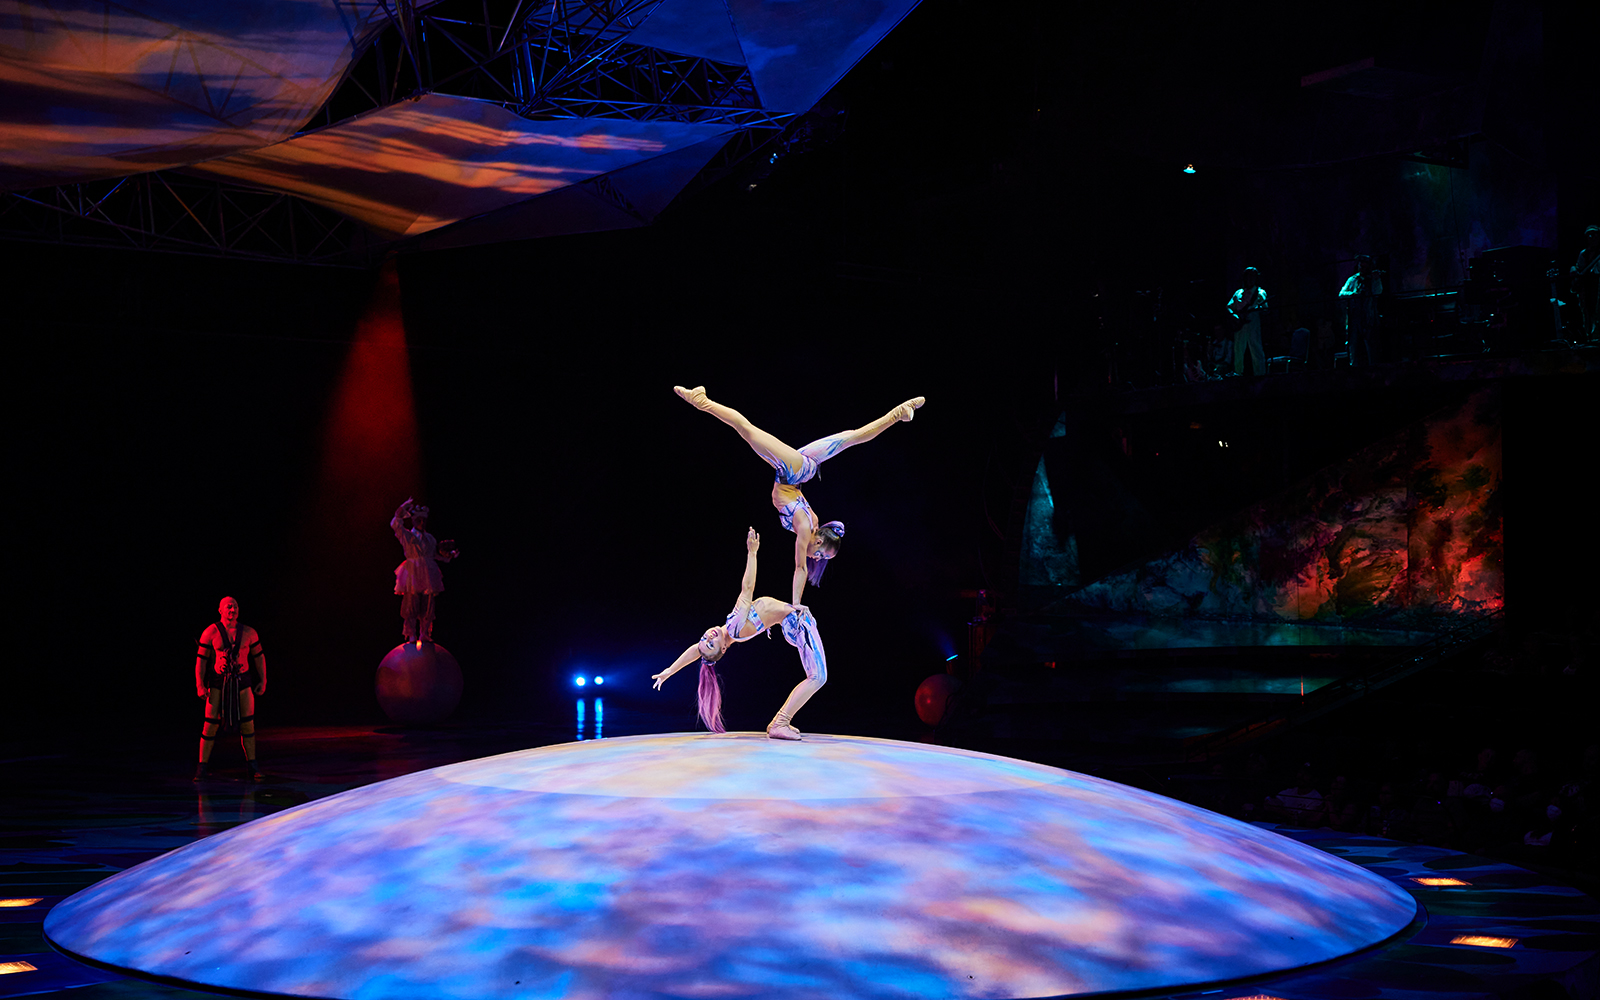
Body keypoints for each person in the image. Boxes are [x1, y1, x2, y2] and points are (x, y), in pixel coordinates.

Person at [672, 386, 925, 606]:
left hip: (801, 469)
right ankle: (700, 400)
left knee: (853, 436)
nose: (818, 557)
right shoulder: (806, 527)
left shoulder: (812, 523)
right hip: (792, 470)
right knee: (746, 430)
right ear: (817, 541)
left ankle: (900, 412)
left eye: (823, 558)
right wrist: (796, 604)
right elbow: (800, 568)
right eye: (822, 553)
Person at [652, 527, 827, 741]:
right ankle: (780, 722)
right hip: (797, 624)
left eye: (704, 638)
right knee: (818, 677)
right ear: (723, 649)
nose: (709, 636)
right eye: (711, 643)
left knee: (818, 676)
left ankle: (781, 721)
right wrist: (752, 553)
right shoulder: (734, 627)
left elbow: (697, 652)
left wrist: (669, 670)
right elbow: (747, 588)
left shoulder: (728, 630)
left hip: (792, 624)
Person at [194, 596, 267, 782]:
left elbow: (259, 657)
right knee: (210, 724)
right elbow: (201, 661)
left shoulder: (250, 633)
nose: (232, 609)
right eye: (228, 606)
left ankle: (253, 766)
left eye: (235, 606)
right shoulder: (210, 632)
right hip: (219, 682)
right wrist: (200, 685)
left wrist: (263, 680)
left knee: (248, 724)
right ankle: (201, 768)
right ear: (220, 610)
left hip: (243, 681)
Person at [391, 498, 459, 642]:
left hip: (428, 571)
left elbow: (434, 555)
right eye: (418, 520)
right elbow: (395, 524)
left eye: (424, 520)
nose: (422, 523)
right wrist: (402, 508)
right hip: (413, 571)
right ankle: (411, 634)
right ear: (414, 521)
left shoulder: (430, 538)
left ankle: (424, 633)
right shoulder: (408, 535)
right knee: (412, 601)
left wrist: (449, 556)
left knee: (428, 602)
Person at [1338, 255, 1384, 365]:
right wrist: (1352, 294)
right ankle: (1353, 366)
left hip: (1368, 317)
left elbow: (1378, 292)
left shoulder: (1373, 278)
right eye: (1360, 265)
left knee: (1370, 345)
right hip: (1354, 317)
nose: (1362, 267)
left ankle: (1373, 368)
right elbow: (1341, 294)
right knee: (1353, 344)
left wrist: (1376, 279)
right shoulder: (1353, 279)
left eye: (1364, 265)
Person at [1226, 267, 1268, 376]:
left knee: (1256, 349)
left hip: (1253, 324)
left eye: (1252, 276)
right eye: (1248, 276)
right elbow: (1229, 307)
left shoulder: (1260, 292)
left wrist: (1261, 305)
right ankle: (1237, 374)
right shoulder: (1238, 293)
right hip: (1240, 325)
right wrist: (1235, 316)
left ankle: (1260, 375)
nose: (1250, 279)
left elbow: (1265, 309)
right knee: (1238, 350)